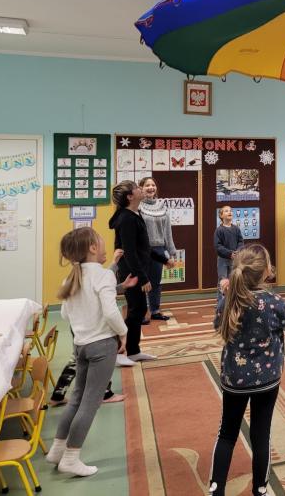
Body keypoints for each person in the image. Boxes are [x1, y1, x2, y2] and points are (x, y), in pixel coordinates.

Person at [209, 244, 285, 496]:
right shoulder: (273, 302)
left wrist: (222, 294)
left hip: (234, 379)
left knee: (226, 434)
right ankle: (260, 489)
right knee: (261, 435)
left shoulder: (230, 300)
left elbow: (217, 323)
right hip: (267, 380)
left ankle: (216, 489)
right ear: (266, 272)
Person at [45, 228, 129, 476]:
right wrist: (122, 332)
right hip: (101, 345)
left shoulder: (71, 278)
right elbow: (111, 312)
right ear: (92, 248)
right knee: (90, 403)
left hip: (80, 345)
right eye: (100, 241)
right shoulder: (104, 276)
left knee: (77, 398)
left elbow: (65, 314)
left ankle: (57, 450)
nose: (104, 245)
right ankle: (71, 458)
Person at [109, 180, 169, 364]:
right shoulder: (126, 218)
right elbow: (130, 252)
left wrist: (164, 259)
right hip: (131, 273)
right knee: (137, 309)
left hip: (136, 269)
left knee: (139, 308)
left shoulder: (134, 214)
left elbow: (143, 247)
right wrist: (142, 278)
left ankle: (133, 351)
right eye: (137, 188)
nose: (141, 189)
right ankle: (121, 351)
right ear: (130, 196)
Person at [139, 177, 177, 322]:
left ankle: (155, 310)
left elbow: (167, 231)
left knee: (155, 281)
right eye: (147, 185)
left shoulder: (163, 207)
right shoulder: (138, 207)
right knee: (142, 282)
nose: (151, 188)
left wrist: (171, 252)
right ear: (141, 188)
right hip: (142, 250)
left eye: (153, 185)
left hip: (158, 250)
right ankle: (143, 312)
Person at [215, 205, 245, 282]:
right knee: (223, 281)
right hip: (223, 260)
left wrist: (237, 251)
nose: (229, 212)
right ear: (221, 215)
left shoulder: (236, 229)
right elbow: (218, 246)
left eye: (231, 211)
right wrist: (229, 253)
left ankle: (232, 291)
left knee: (233, 280)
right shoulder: (219, 230)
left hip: (235, 258)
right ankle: (221, 291)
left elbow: (241, 241)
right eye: (226, 211)